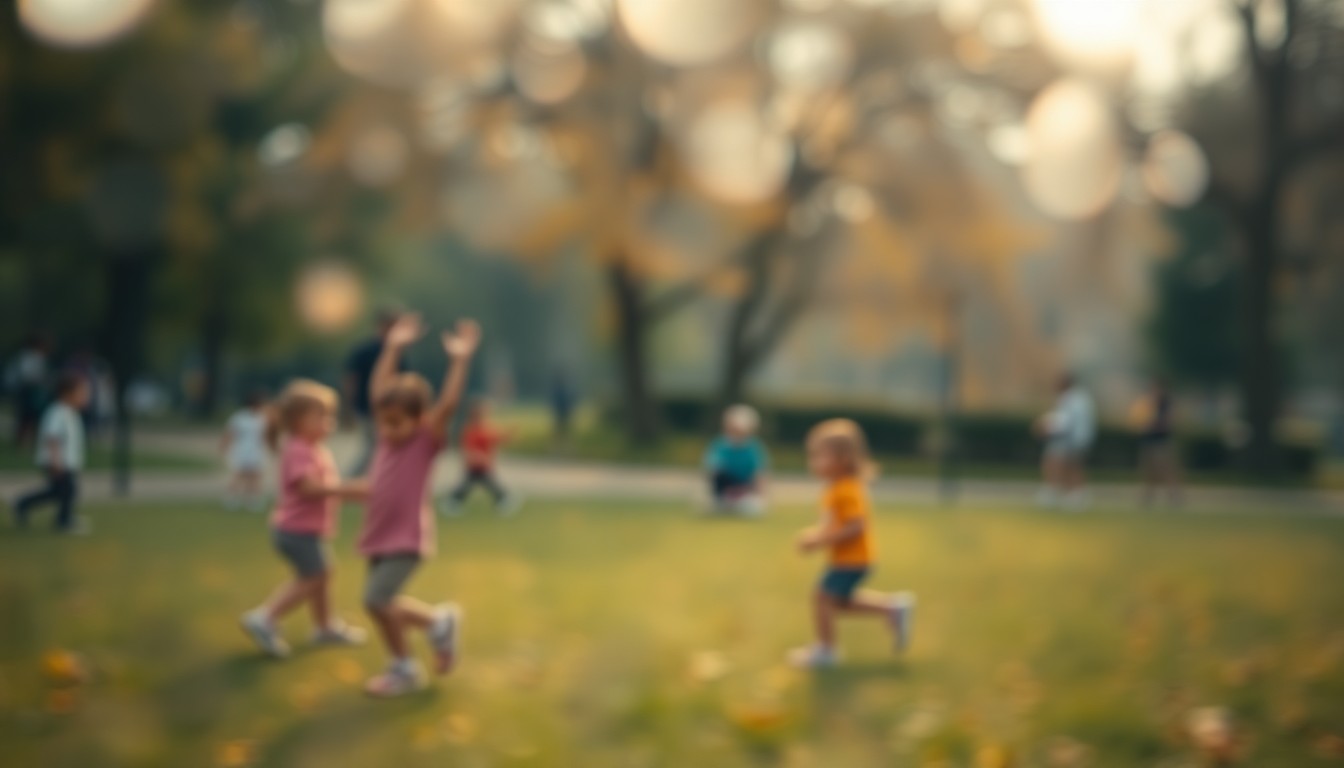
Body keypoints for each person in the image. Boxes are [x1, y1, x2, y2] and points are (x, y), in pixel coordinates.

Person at [358, 313, 480, 697]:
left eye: (397, 422)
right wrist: (392, 347)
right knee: (384, 603)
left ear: (419, 420)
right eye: (383, 421)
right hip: (378, 534)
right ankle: (439, 622)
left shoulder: (425, 440)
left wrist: (460, 360)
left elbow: (448, 404)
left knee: (375, 600)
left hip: (407, 538)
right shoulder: (386, 436)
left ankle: (404, 668)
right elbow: (378, 388)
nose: (388, 429)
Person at [240, 380, 367, 658]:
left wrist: (352, 493)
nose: (328, 422)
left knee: (322, 574)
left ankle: (324, 627)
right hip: (296, 531)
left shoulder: (314, 449)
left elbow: (323, 489)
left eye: (330, 415)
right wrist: (351, 489)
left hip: (306, 530)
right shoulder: (298, 449)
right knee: (315, 575)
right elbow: (308, 489)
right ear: (297, 420)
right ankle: (265, 618)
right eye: (320, 416)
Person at [791, 419, 914, 668]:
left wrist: (819, 539)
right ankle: (892, 608)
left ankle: (826, 650)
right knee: (839, 602)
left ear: (843, 459)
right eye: (812, 456)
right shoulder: (836, 488)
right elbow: (836, 524)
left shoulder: (847, 489)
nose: (813, 463)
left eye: (820, 456)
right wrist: (815, 536)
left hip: (854, 560)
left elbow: (856, 525)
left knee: (822, 597)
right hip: (850, 559)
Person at [12, 373, 90, 535]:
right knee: (67, 490)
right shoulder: (57, 412)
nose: (85, 397)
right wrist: (55, 462)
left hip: (66, 462)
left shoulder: (70, 413)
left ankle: (23, 503)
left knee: (58, 492)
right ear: (67, 394)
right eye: (81, 393)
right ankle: (64, 521)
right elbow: (52, 438)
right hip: (57, 462)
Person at [343, 309, 408, 477]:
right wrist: (349, 407)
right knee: (374, 448)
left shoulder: (400, 353)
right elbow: (351, 380)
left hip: (390, 411)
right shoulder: (365, 351)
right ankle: (352, 480)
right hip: (366, 408)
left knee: (379, 448)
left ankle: (372, 481)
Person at [443, 398, 520, 517]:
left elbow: (498, 438)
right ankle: (452, 502)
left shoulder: (485, 429)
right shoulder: (471, 431)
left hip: (483, 466)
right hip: (475, 466)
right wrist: (478, 458)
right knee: (470, 485)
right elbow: (469, 450)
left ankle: (502, 500)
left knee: (484, 484)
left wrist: (511, 433)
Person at [1036, 373, 1096, 509]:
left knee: (1056, 463)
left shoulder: (1070, 399)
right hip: (1079, 439)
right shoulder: (1081, 397)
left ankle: (1059, 493)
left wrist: (1045, 428)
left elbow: (1064, 422)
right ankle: (1073, 495)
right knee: (1072, 467)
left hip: (1071, 439)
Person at [703, 404, 769, 516]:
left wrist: (757, 494)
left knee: (754, 508)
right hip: (724, 492)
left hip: (745, 492)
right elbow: (713, 472)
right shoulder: (719, 446)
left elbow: (759, 475)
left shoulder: (754, 448)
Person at [220, 390, 270, 511]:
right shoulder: (240, 417)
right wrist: (224, 446)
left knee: (255, 476)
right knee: (239, 475)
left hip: (256, 451)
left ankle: (252, 501)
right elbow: (230, 433)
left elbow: (266, 436)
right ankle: (231, 499)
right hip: (242, 450)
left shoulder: (262, 418)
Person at [1137, 379, 1183, 506]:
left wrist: (1152, 424)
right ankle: (1148, 497)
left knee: (1167, 470)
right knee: (1148, 471)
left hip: (1162, 442)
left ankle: (1174, 497)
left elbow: (1168, 423)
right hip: (1148, 441)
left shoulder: (1167, 404)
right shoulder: (1147, 403)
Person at [8, 334, 50, 448]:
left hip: (34, 391)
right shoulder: (27, 357)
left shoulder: (38, 357)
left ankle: (30, 442)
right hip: (28, 391)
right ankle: (22, 443)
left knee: (33, 419)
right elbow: (26, 375)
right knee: (26, 418)